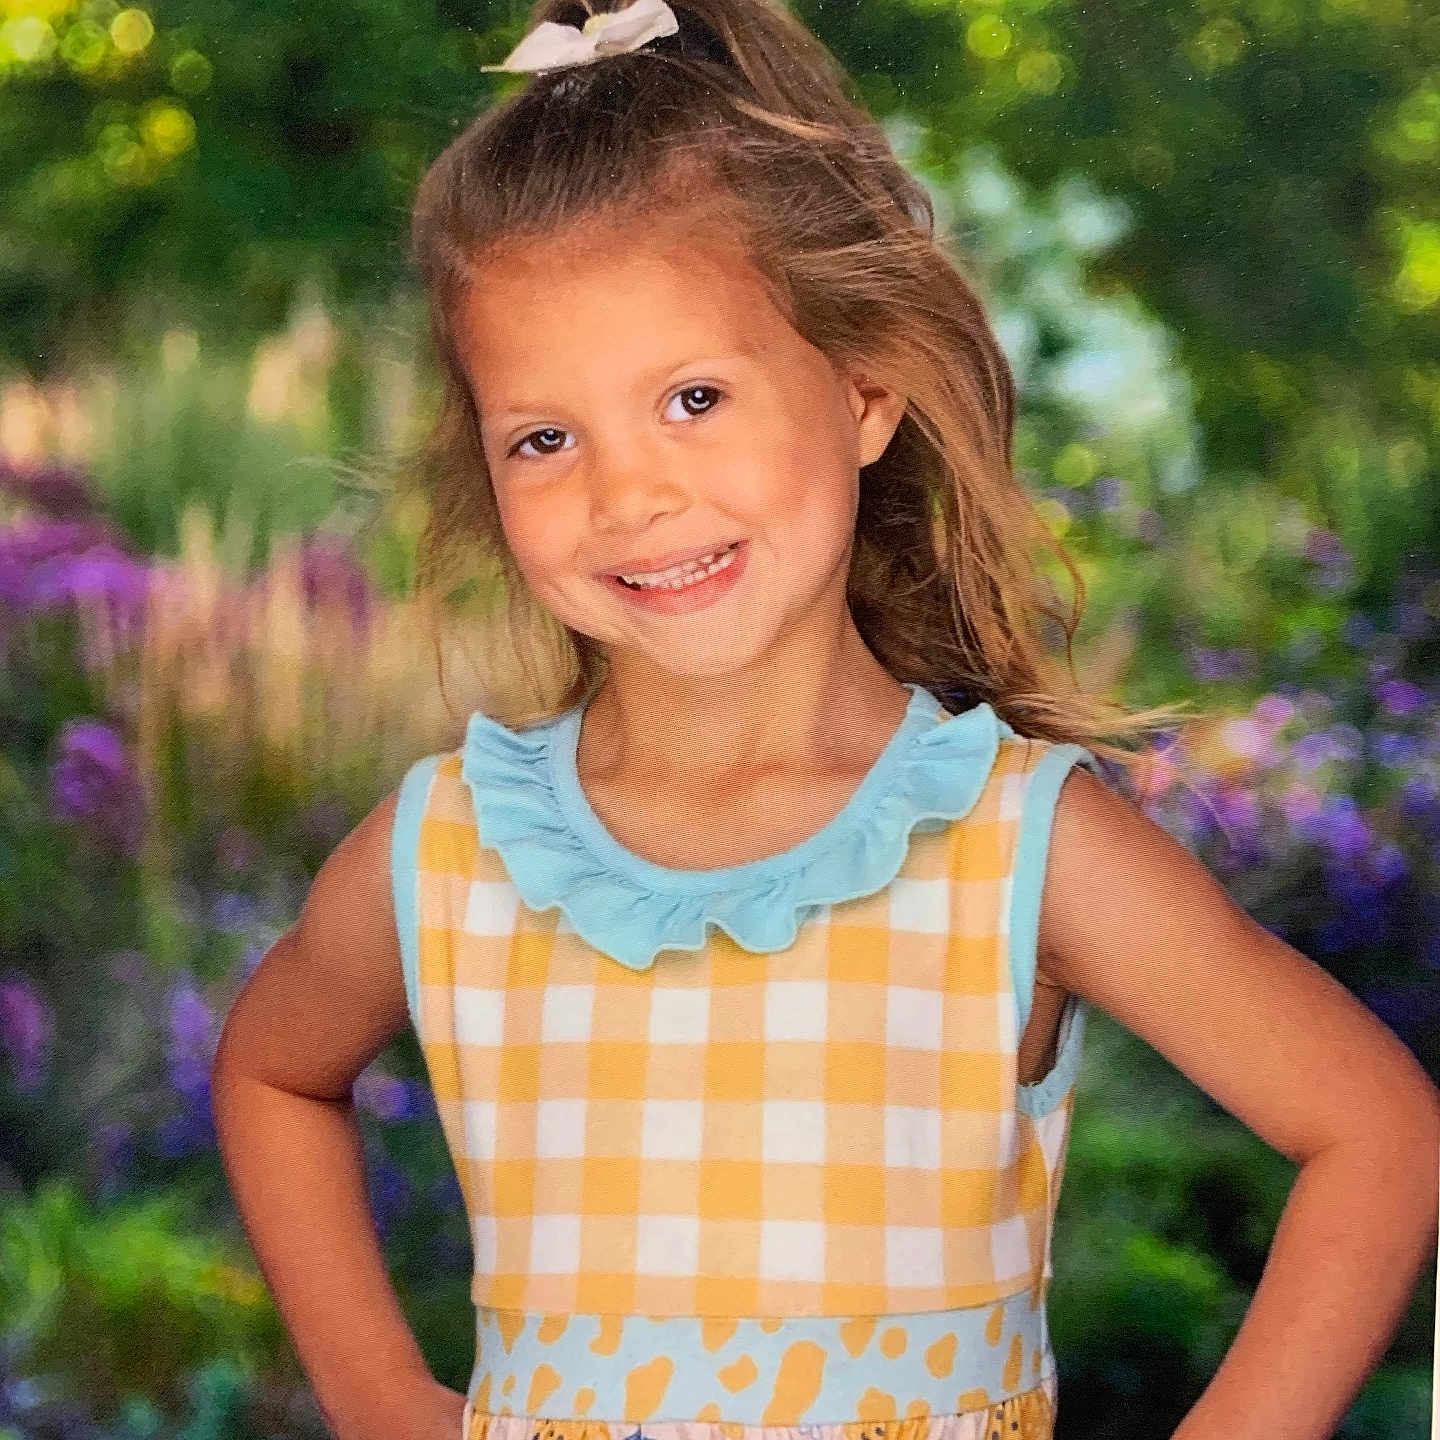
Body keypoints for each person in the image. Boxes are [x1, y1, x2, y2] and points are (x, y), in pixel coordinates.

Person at [210, 2, 1440, 1439]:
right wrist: (374, 1393)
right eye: (545, 437)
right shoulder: (450, 854)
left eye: (693, 398)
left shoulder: (1012, 847)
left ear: (865, 393)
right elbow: (272, 1069)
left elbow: (1377, 1132)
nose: (628, 493)